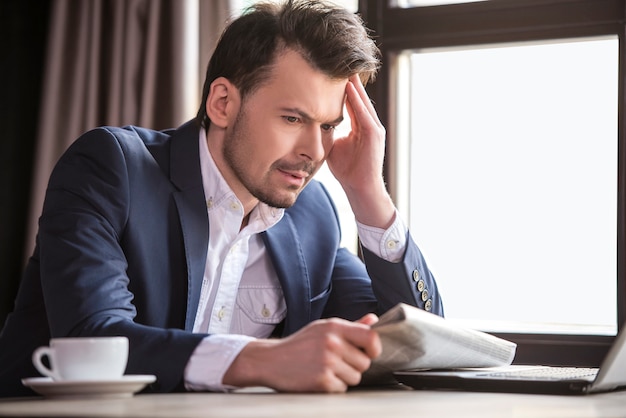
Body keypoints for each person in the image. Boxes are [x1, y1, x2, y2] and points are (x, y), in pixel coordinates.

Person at [0, 0, 443, 397]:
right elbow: (91, 338)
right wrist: (264, 360)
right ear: (223, 103)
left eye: (328, 125)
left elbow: (417, 345)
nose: (315, 150)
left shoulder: (313, 215)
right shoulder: (113, 168)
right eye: (293, 118)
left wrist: (370, 198)